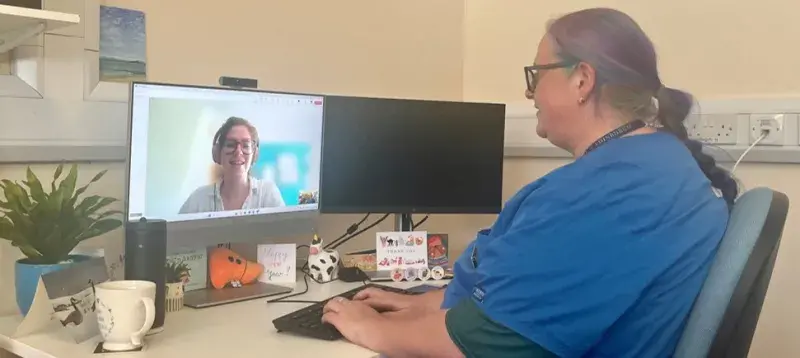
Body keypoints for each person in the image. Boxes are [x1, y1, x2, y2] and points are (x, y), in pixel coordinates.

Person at [320, 8, 738, 358]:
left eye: (537, 74)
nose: (530, 93)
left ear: (582, 80)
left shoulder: (605, 194)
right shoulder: (659, 163)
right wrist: (424, 302)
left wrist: (374, 330)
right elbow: (529, 294)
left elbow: (487, 340)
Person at [179, 116, 285, 214]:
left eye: (245, 145)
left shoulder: (267, 193)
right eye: (230, 145)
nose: (238, 152)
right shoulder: (198, 199)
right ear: (218, 153)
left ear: (254, 154)